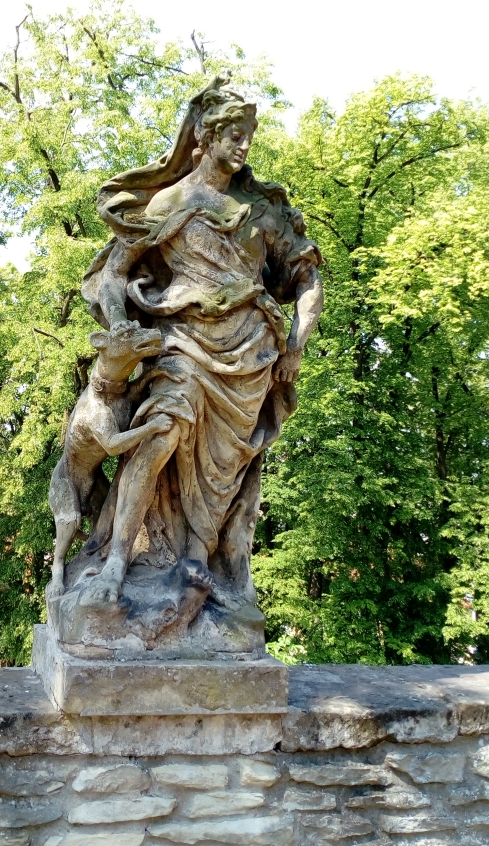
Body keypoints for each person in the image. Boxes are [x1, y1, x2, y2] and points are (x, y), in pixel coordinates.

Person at [80, 78, 323, 606]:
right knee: (159, 430)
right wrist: (119, 323)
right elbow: (114, 274)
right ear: (206, 137)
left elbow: (307, 278)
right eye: (235, 135)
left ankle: (195, 562)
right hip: (183, 344)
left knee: (224, 468)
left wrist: (297, 344)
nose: (244, 146)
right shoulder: (169, 201)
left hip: (250, 353)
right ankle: (117, 561)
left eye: (249, 136)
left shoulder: (263, 210)